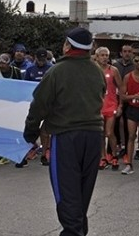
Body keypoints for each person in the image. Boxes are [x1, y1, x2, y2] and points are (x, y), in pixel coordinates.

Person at [23, 27, 104, 236]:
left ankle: (72, 233)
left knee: (66, 192)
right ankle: (79, 231)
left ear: (68, 45)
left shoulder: (57, 71)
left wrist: (31, 132)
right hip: (94, 136)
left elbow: (39, 105)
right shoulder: (97, 71)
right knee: (83, 192)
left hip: (67, 136)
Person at [94, 47, 122, 171]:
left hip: (111, 104)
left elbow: (121, 88)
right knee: (100, 133)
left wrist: (120, 105)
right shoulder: (92, 70)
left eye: (106, 55)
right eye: (102, 55)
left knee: (109, 132)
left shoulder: (113, 70)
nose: (104, 57)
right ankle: (103, 157)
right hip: (97, 106)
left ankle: (114, 155)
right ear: (97, 57)